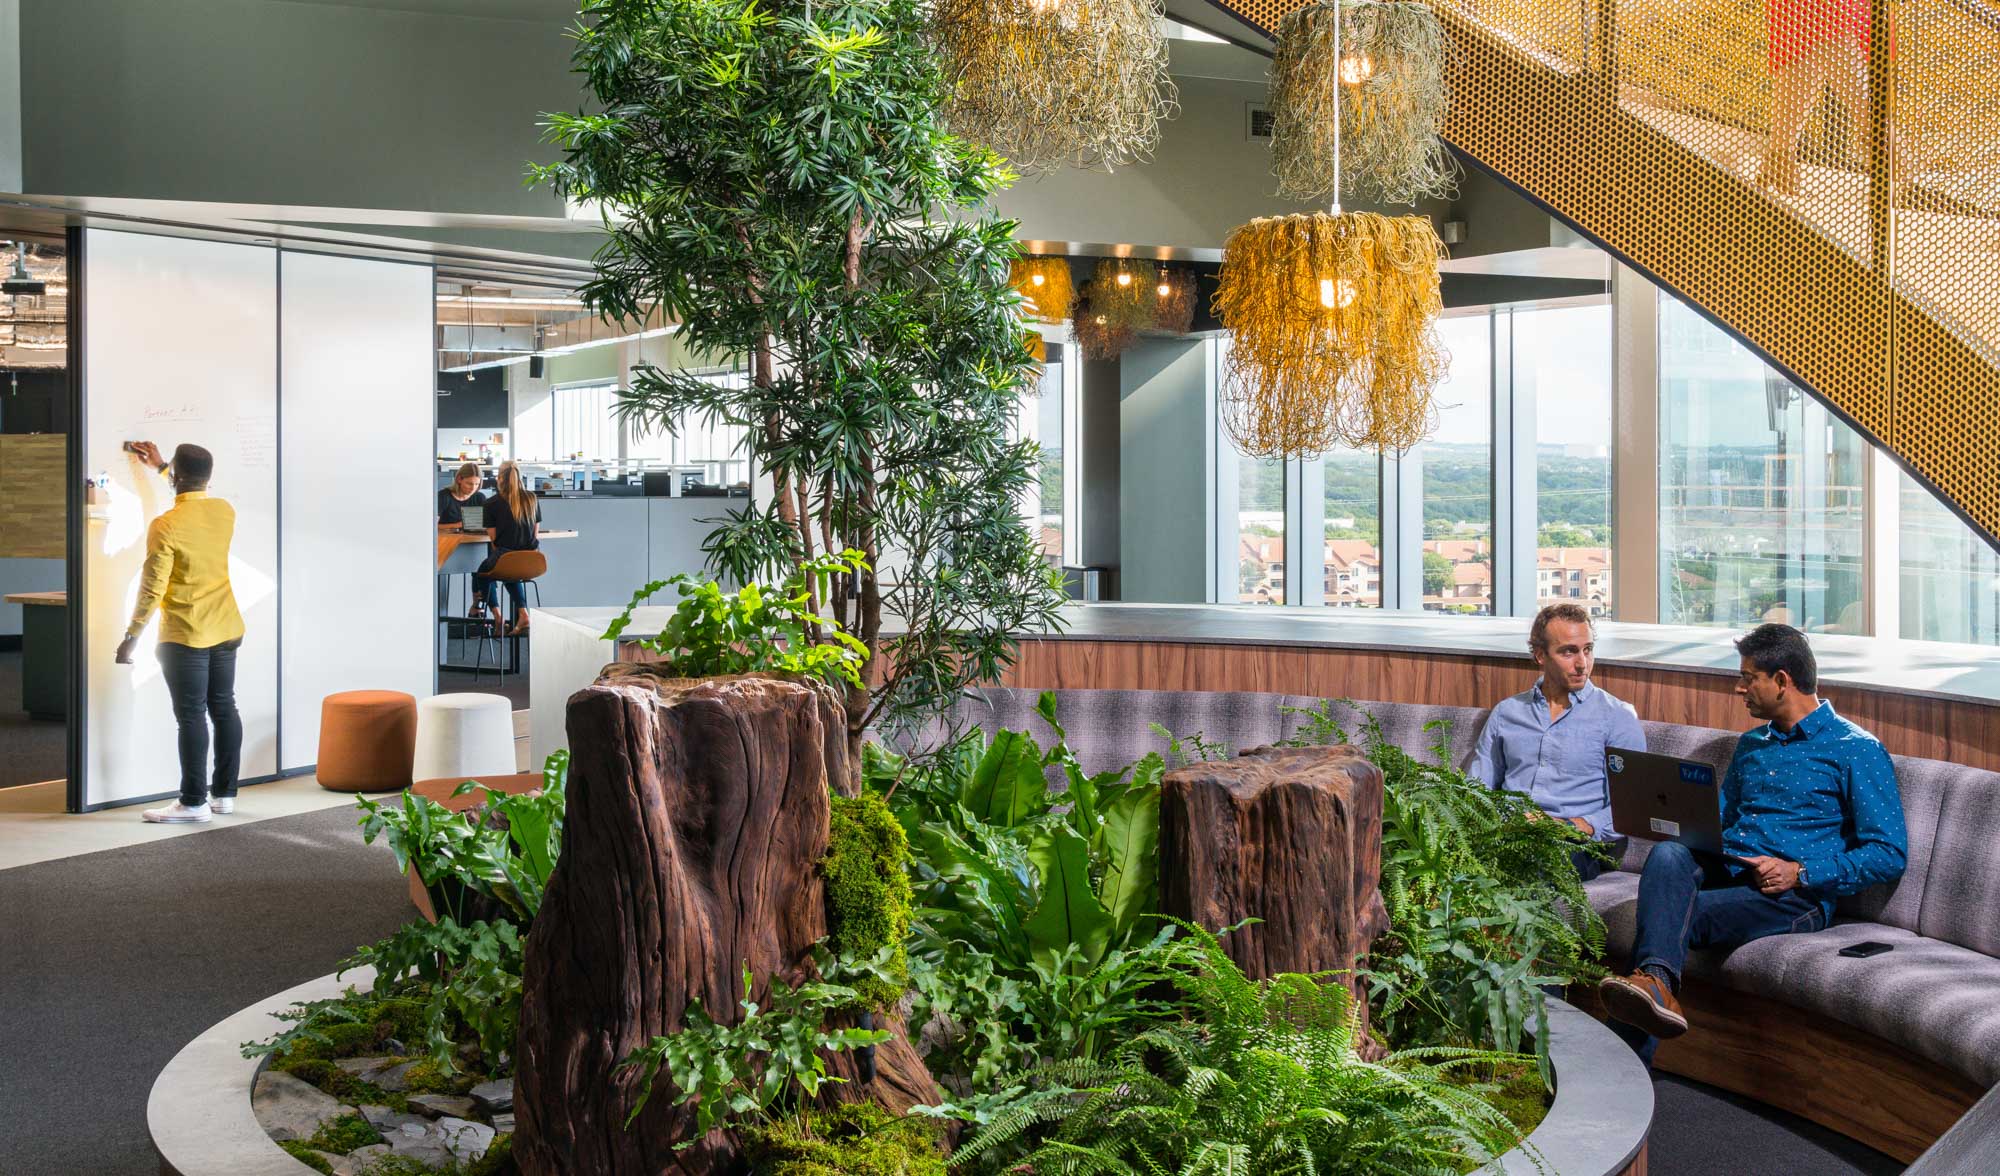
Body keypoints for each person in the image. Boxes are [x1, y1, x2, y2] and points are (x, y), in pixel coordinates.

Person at [1597, 622, 1906, 1062]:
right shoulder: (1752, 745)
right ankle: (1657, 988)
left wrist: (1800, 872)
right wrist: (1674, 821)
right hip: (1729, 871)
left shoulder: (1856, 749)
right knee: (1669, 853)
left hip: (1793, 897)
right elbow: (1720, 825)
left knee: (1667, 916)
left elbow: (1889, 854)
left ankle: (1634, 1031)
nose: (1740, 690)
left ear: (1782, 681)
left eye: (1748, 679)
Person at [115, 442, 245, 825]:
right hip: (226, 626)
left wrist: (131, 636)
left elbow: (152, 588)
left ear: (178, 475)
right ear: (208, 476)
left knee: (191, 716)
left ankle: (192, 802)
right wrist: (160, 467)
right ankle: (223, 795)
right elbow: (190, 491)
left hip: (187, 633)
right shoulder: (224, 511)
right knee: (224, 707)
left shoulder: (166, 525)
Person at [1468, 602, 1645, 881]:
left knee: (1534, 864)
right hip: (1508, 833)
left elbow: (1632, 807)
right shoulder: (1507, 712)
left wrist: (1574, 826)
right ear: (1540, 655)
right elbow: (1476, 787)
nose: (1582, 663)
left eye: (1587, 650)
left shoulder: (1617, 718)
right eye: (1568, 652)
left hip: (1573, 843)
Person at [1758, 0, 1904, 196]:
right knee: (1864, 105)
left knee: (1810, 57)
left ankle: (1778, 169)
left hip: (1822, 16)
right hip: (1818, 16)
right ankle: (1900, 170)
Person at [474, 460, 541, 637]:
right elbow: (535, 534)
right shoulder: (532, 498)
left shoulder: (491, 503)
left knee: (482, 573)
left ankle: (497, 616)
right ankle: (523, 613)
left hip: (507, 556)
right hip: (532, 559)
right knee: (511, 572)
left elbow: (494, 540)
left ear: (499, 478)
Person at [437, 461, 486, 528]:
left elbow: (487, 523)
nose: (473, 488)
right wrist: (458, 525)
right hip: (447, 537)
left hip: (473, 537)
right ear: (459, 479)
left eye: (477, 484)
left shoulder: (480, 497)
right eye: (469, 484)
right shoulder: (443, 497)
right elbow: (432, 527)